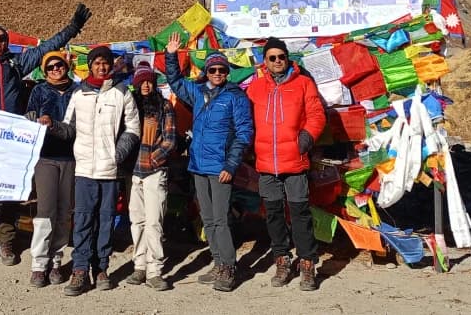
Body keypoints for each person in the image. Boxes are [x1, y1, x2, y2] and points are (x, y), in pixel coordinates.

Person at [0, 3, 92, 267]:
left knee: (10, 191)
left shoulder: (16, 63)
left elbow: (46, 48)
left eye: (3, 38)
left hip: (11, 140)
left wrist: (72, 28)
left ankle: (6, 241)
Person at [164, 32, 253, 292]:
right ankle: (218, 262)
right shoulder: (198, 93)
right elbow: (175, 82)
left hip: (221, 168)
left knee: (222, 218)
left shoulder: (236, 97)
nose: (216, 73)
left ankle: (229, 267)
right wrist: (171, 56)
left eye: (221, 70)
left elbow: (244, 133)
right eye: (212, 69)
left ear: (226, 72)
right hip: (198, 166)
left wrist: (231, 165)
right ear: (206, 71)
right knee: (208, 218)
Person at [49, 45, 140, 296]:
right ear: (89, 66)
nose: (102, 67)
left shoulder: (122, 93)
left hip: (109, 171)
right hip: (84, 170)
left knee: (106, 220)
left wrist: (117, 154)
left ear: (111, 65)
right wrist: (51, 125)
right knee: (83, 220)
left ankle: (101, 268)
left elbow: (133, 128)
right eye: (97, 63)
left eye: (106, 63)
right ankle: (79, 270)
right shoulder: (79, 94)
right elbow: (68, 128)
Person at [245, 37, 327, 291]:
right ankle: (282, 259)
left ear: (287, 58)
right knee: (273, 214)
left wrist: (305, 139)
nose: (278, 61)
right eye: (272, 57)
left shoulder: (303, 84)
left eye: (281, 56)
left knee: (300, 214)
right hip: (266, 163)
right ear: (265, 61)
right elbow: (245, 118)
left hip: (295, 160)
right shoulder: (256, 88)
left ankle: (307, 263)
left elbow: (316, 114)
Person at [23, 50, 79, 287]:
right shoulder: (39, 90)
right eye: (50, 67)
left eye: (59, 65)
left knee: (65, 211)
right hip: (45, 157)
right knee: (45, 211)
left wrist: (52, 124)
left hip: (71, 157)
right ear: (44, 71)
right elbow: (28, 117)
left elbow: (78, 125)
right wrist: (33, 118)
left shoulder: (78, 91)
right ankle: (39, 263)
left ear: (66, 66)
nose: (56, 69)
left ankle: (56, 259)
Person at [124, 61, 176, 291]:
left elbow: (170, 138)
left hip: (154, 170)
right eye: (141, 81)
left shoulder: (164, 106)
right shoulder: (130, 106)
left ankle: (155, 270)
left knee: (155, 222)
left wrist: (155, 157)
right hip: (133, 171)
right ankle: (139, 266)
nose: (145, 85)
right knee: (138, 221)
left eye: (149, 81)